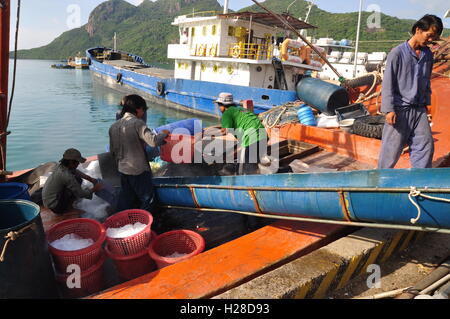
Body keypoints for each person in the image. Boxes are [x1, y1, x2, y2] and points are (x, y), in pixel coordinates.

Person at [378, 14, 443, 169]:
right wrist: (388, 110)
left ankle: (419, 181)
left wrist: (426, 104)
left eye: (433, 38)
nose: (430, 40)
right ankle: (380, 180)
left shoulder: (427, 54)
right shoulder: (397, 53)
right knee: (391, 150)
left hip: (419, 110)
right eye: (429, 36)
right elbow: (388, 83)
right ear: (419, 30)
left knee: (425, 146)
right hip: (400, 110)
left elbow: (426, 81)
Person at [109, 94, 169, 212]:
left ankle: (126, 222)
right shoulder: (138, 123)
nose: (143, 113)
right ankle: (143, 222)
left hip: (122, 169)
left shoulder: (113, 126)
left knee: (128, 199)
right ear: (138, 109)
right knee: (148, 199)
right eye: (144, 110)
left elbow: (113, 151)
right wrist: (164, 133)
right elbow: (153, 141)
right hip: (138, 170)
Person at [216, 92, 268, 174]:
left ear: (222, 105)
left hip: (252, 138)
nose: (219, 108)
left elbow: (224, 131)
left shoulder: (227, 113)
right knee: (253, 164)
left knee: (246, 170)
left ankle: (252, 184)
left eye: (219, 105)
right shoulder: (242, 110)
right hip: (263, 135)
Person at [42, 148, 103, 215]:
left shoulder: (61, 166)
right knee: (75, 185)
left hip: (48, 199)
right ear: (71, 162)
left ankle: (66, 204)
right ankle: (65, 210)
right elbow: (81, 194)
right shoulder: (66, 176)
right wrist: (95, 189)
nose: (78, 164)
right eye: (77, 162)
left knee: (78, 179)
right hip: (55, 206)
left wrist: (90, 179)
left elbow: (75, 171)